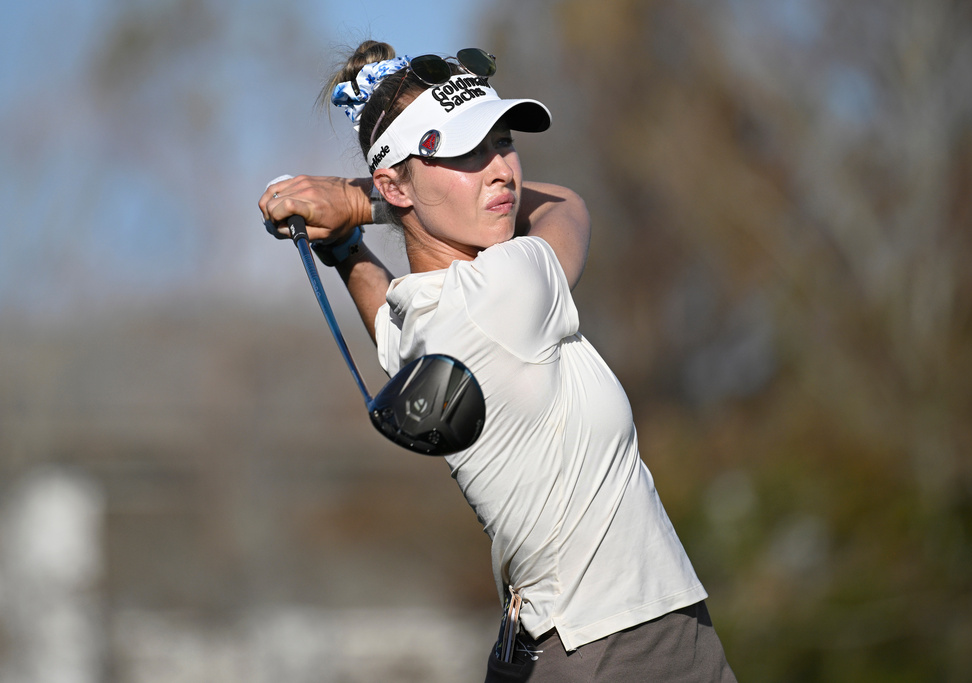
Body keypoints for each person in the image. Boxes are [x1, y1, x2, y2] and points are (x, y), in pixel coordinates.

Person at [259, 40, 737, 682]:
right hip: (624, 646)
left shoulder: (423, 316)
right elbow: (567, 204)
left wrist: (349, 242)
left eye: (502, 142)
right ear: (395, 182)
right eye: (463, 153)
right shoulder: (507, 286)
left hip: (572, 644)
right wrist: (360, 203)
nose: (503, 171)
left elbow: (387, 316)